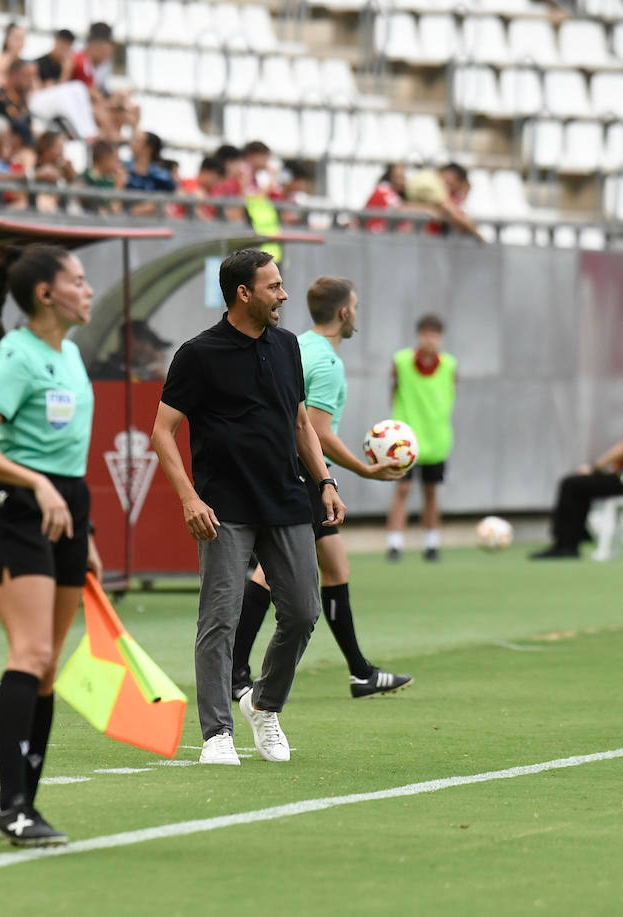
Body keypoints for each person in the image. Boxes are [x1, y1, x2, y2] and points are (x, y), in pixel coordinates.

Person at [152, 249, 345, 766]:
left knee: (304, 612)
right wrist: (190, 498)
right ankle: (216, 733)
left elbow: (301, 423)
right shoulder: (198, 353)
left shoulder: (286, 346)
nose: (283, 295)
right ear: (244, 293)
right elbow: (162, 432)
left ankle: (264, 705)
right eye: (274, 286)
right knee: (221, 618)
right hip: (224, 508)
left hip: (287, 500)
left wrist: (324, 480)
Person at [0, 244, 101, 846]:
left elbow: (65, 454)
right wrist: (36, 483)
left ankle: (24, 808)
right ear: (45, 293)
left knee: (47, 668)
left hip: (66, 510)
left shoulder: (69, 352)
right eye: (79, 281)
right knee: (31, 653)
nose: (88, 291)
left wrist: (83, 531)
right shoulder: (14, 355)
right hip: (20, 510)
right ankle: (10, 805)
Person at [230, 276, 412, 701]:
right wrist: (363, 470)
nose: (357, 315)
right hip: (302, 474)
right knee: (272, 573)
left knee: (334, 568)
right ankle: (236, 669)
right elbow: (315, 429)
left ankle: (361, 672)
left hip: (288, 470)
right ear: (344, 312)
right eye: (357, 307)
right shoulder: (327, 362)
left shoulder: (300, 345)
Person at [531, 370, 623, 560]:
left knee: (572, 484)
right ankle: (576, 535)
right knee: (580, 484)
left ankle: (566, 544)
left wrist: (596, 467)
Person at [386, 314, 456, 562]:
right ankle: (394, 544)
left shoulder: (449, 365)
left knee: (431, 492)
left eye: (435, 335)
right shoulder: (402, 362)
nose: (430, 340)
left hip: (436, 441)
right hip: (405, 441)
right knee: (402, 489)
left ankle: (431, 543)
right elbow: (393, 393)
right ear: (418, 336)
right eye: (426, 334)